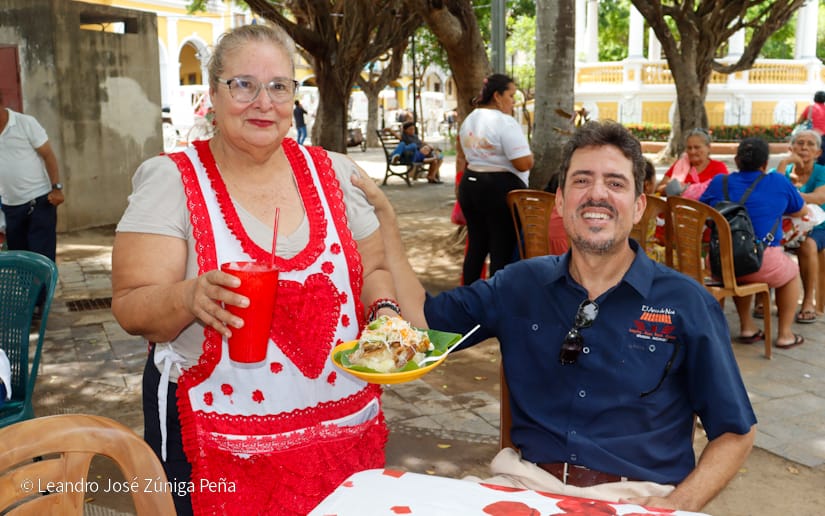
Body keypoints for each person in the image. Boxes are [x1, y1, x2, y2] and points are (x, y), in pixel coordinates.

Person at [353, 120, 756, 512]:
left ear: (638, 207)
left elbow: (735, 433)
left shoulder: (685, 302)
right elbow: (420, 322)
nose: (597, 194)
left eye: (615, 183)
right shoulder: (518, 285)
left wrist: (676, 505)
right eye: (581, 180)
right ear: (560, 201)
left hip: (635, 497)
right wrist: (386, 220)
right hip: (523, 488)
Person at [111, 24, 398, 515]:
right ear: (213, 94)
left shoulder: (337, 173)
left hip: (339, 438)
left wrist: (386, 315)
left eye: (279, 86)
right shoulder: (172, 181)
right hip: (218, 445)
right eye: (243, 84)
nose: (263, 101)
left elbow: (373, 268)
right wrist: (188, 298)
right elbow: (132, 305)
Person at [700, 137, 807, 349]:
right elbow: (801, 210)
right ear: (765, 164)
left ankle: (747, 327)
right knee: (792, 273)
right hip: (761, 262)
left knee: (738, 264)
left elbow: (703, 210)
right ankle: (785, 334)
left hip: (720, 263)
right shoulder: (778, 182)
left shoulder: (719, 182)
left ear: (737, 160)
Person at [456, 73, 533, 283]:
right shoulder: (504, 122)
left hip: (471, 185)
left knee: (477, 245)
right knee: (501, 248)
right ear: (497, 96)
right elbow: (523, 163)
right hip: (498, 190)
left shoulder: (469, 120)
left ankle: (468, 298)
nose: (513, 101)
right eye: (511, 95)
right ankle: (495, 302)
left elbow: (461, 153)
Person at [0, 90, 64, 263]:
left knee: (40, 260)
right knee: (20, 261)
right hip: (10, 207)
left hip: (39, 203)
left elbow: (48, 155)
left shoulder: (25, 123)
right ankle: (29, 291)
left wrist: (56, 188)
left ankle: (45, 291)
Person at [769, 129, 825, 321]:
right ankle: (764, 300)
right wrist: (785, 163)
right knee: (766, 241)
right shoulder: (782, 170)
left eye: (810, 144)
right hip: (785, 225)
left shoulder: (821, 172)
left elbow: (819, 197)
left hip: (818, 225)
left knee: (808, 245)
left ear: (818, 153)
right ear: (791, 148)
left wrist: (791, 197)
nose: (804, 148)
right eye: (800, 143)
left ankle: (808, 301)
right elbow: (771, 191)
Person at [654, 128, 728, 198]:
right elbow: (659, 188)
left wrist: (689, 189)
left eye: (697, 147)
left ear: (708, 148)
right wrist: (672, 188)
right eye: (689, 148)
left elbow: (723, 191)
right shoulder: (680, 165)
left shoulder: (718, 167)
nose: (692, 152)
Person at [796, 91, 825, 166]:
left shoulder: (810, 108)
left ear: (814, 99)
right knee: (822, 158)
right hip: (823, 136)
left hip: (812, 136)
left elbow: (799, 121)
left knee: (808, 155)